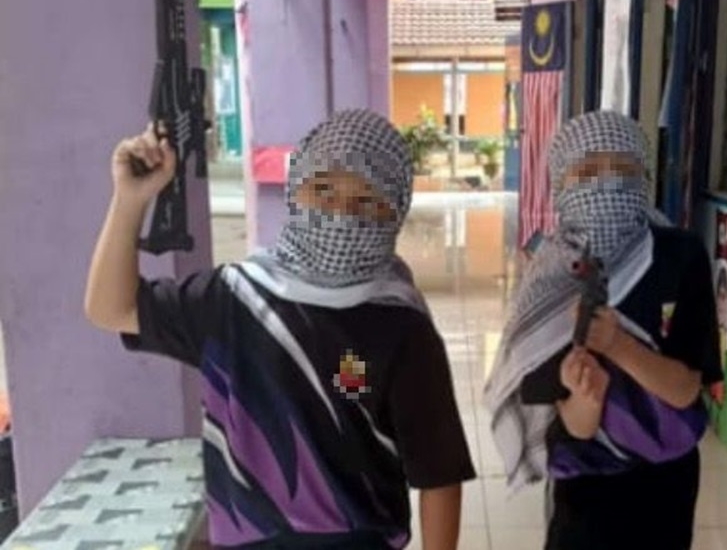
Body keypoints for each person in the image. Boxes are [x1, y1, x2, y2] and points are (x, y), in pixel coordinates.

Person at [84, 110, 475, 549]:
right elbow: (110, 309)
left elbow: (439, 476)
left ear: (395, 211)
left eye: (367, 201)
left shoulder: (400, 327)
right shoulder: (233, 300)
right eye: (324, 190)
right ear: (296, 190)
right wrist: (130, 200)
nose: (341, 215)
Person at [484, 110, 722, 550]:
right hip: (585, 482)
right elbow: (571, 425)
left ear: (645, 176)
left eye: (623, 169)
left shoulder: (679, 256)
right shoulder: (554, 275)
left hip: (665, 478)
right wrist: (585, 396)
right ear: (561, 184)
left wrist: (618, 346)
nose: (606, 183)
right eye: (588, 171)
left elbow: (686, 390)